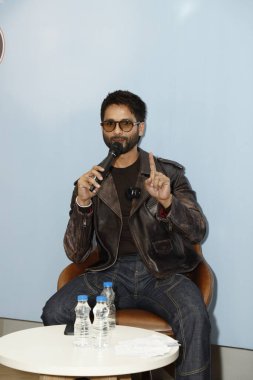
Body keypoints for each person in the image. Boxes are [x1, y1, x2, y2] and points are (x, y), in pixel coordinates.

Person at [41, 90, 210, 379]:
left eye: (125, 123)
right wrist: (82, 203)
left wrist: (169, 201)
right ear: (102, 128)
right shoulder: (91, 182)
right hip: (110, 273)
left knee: (194, 315)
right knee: (55, 312)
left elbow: (198, 229)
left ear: (140, 127)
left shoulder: (168, 174)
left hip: (161, 273)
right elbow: (77, 253)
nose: (117, 131)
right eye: (110, 124)